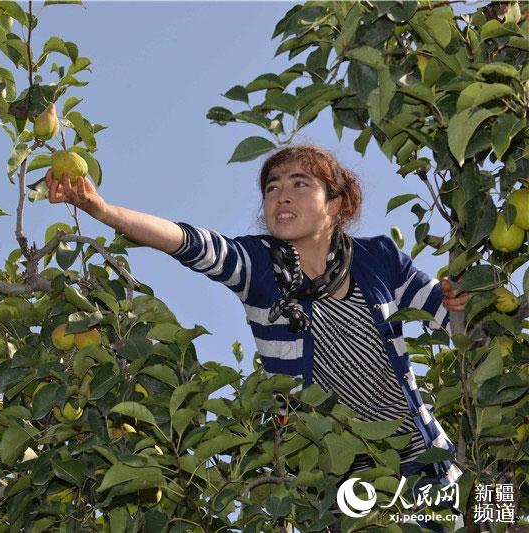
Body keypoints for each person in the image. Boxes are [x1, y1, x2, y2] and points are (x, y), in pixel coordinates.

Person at [44, 143, 468, 530]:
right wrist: (103, 210)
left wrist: (460, 298)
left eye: (300, 184)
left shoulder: (378, 258)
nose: (281, 195)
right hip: (337, 484)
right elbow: (190, 243)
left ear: (336, 202)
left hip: (423, 461)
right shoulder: (260, 268)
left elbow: (452, 320)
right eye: (272, 188)